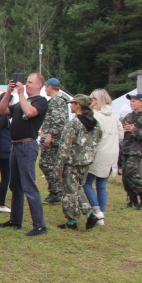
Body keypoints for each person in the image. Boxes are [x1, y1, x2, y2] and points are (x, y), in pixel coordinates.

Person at [0, 73, 50, 237]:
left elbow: (31, 113)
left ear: (39, 85)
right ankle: (15, 220)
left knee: (29, 186)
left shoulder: (40, 102)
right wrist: (8, 93)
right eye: (26, 82)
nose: (26, 84)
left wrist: (20, 94)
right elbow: (1, 110)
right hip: (16, 146)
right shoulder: (21, 103)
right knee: (15, 185)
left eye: (30, 82)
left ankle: (40, 226)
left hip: (27, 145)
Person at [54, 94, 102, 230]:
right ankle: (89, 213)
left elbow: (64, 147)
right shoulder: (95, 123)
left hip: (71, 162)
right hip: (85, 162)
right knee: (76, 188)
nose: (70, 105)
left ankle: (72, 221)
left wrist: (57, 169)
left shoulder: (74, 123)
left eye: (72, 103)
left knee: (69, 192)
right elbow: (98, 139)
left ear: (78, 105)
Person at [83, 89, 123, 225]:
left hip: (99, 153)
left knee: (86, 182)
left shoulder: (94, 115)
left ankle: (97, 211)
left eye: (91, 98)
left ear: (97, 100)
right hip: (112, 153)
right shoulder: (114, 116)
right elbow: (121, 135)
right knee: (101, 185)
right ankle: (102, 214)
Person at [39, 78, 69, 204]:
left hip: (53, 140)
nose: (45, 90)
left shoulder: (57, 101)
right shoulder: (56, 101)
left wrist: (50, 135)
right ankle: (56, 191)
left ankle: (57, 191)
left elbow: (59, 121)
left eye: (45, 88)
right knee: (48, 165)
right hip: (51, 138)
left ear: (48, 86)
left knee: (47, 165)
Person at [120, 93, 142, 210]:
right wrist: (124, 129)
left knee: (132, 173)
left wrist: (134, 130)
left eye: (134, 101)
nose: (131, 103)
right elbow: (121, 129)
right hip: (127, 148)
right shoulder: (128, 116)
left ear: (141, 102)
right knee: (125, 175)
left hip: (138, 149)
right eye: (131, 101)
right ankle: (132, 200)